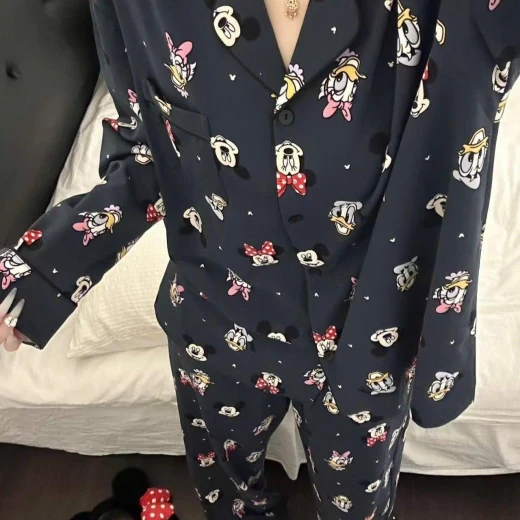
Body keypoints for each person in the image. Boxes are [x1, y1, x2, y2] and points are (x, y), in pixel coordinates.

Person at [1, 1, 518, 518]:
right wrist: (41, 268)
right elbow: (147, 149)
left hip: (368, 335)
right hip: (216, 319)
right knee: (229, 501)